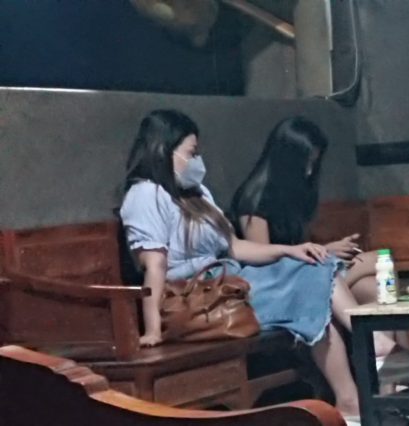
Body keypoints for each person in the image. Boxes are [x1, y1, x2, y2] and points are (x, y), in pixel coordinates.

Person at [120, 110, 368, 418]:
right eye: (191, 153)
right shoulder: (146, 195)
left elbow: (235, 246)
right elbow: (155, 265)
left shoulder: (197, 194)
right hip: (198, 296)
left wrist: (290, 250)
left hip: (229, 282)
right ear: (163, 150)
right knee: (314, 282)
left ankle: (352, 392)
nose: (197, 161)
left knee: (314, 276)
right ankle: (369, 352)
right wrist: (153, 328)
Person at [229, 116, 409, 387]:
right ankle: (392, 358)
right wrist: (326, 253)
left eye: (314, 163)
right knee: (375, 262)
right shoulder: (254, 199)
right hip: (281, 286)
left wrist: (328, 249)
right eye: (305, 163)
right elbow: (267, 263)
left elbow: (300, 247)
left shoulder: (293, 194)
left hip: (303, 271)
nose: (309, 171)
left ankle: (389, 384)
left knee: (374, 285)